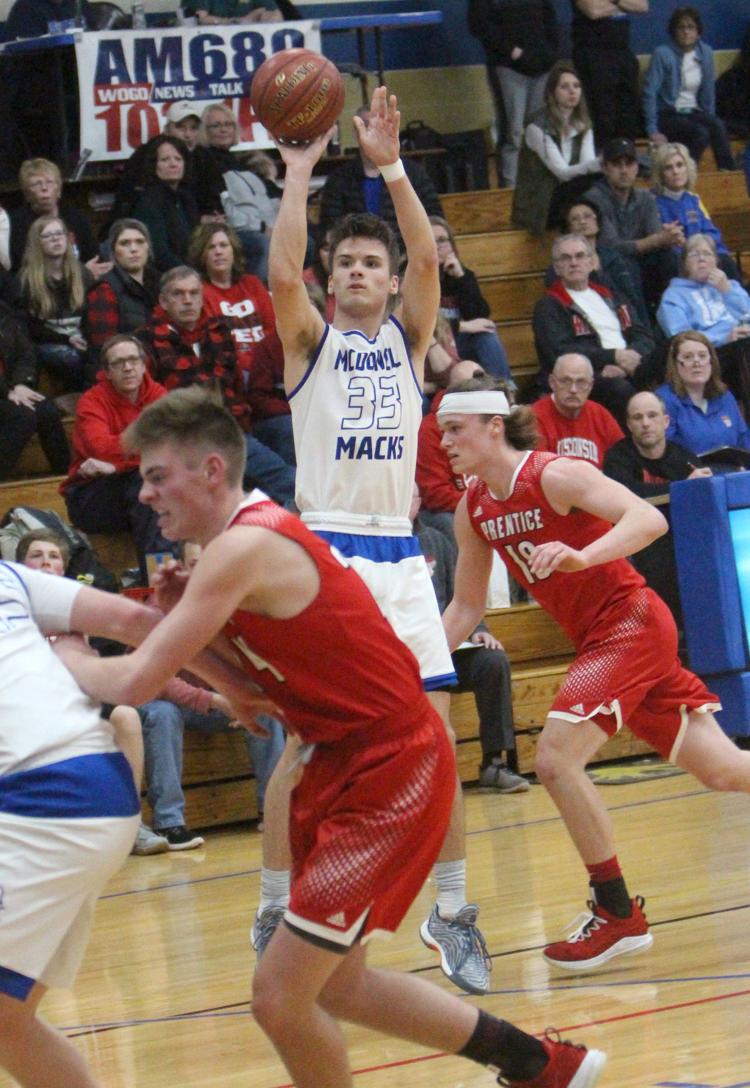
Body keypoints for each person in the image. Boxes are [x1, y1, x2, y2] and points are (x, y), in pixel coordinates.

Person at [59, 385, 606, 1088]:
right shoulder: (236, 546)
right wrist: (197, 640)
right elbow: (249, 691)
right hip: (342, 761)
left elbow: (136, 680)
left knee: (279, 997)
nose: (144, 494)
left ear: (212, 471)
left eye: (158, 476)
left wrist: (52, 657)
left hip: (390, 767)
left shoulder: (245, 547)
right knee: (339, 987)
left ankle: (541, 1064)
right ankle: (540, 1065)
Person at [267, 85, 491, 996]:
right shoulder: (308, 343)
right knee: (306, 746)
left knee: (436, 739)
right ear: (331, 280)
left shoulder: (406, 341)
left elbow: (429, 260)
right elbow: (282, 276)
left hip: (399, 552)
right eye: (346, 263)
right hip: (326, 550)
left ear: (391, 280)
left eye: (372, 262)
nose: (359, 271)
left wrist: (391, 166)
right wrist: (298, 172)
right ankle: (274, 905)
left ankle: (453, 911)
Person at [438, 374, 750, 974]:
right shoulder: (472, 508)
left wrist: (584, 555)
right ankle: (617, 915)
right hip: (602, 640)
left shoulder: (553, 474)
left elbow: (647, 519)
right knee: (723, 769)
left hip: (630, 622)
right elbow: (466, 608)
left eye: (455, 430)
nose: (445, 442)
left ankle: (617, 913)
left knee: (555, 759)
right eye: (442, 432)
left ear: (494, 427)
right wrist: (410, 670)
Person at [0, 556, 142, 1087]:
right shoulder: (9, 577)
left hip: (45, 803)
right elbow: (136, 621)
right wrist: (235, 683)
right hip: (96, 787)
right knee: (8, 1022)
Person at [137, 266, 296, 506]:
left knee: (288, 480)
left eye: (194, 293)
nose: (188, 300)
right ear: (163, 301)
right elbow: (149, 400)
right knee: (274, 484)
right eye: (178, 294)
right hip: (183, 438)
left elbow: (236, 387)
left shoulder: (219, 330)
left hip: (229, 430)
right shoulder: (146, 340)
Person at [412, 485, 529, 794]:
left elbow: (464, 595)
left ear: (419, 502)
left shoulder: (437, 541)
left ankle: (494, 762)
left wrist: (480, 629)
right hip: (410, 658)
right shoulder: (382, 549)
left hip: (449, 646)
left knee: (492, 662)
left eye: (411, 497)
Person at [62, 334, 173, 582]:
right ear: (107, 372)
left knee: (154, 487)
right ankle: (160, 581)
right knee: (149, 483)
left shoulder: (159, 396)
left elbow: (172, 446)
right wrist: (147, 452)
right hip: (90, 497)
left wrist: (117, 466)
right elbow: (101, 449)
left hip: (138, 495)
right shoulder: (92, 401)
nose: (127, 367)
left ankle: (159, 580)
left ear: (144, 365)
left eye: (133, 360)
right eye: (118, 363)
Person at [603, 389, 711, 622]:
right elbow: (626, 496)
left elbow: (703, 494)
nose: (645, 423)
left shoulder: (683, 457)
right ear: (629, 425)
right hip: (639, 546)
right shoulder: (617, 457)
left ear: (666, 421)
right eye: (637, 417)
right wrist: (681, 488)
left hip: (681, 541)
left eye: (652, 416)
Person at [532, 233, 655, 421]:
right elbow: (559, 352)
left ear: (591, 262)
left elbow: (643, 335)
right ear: (557, 267)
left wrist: (626, 363)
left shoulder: (613, 296)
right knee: (619, 389)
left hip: (630, 365)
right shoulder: (549, 305)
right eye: (566, 258)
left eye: (580, 256)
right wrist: (613, 357)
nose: (574, 263)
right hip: (589, 375)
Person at [318, 105, 443, 252]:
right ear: (356, 133)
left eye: (378, 126)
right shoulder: (339, 179)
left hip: (407, 255)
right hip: (358, 256)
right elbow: (330, 227)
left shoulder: (414, 173)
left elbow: (435, 218)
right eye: (366, 126)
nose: (373, 132)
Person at [466, 0, 560, 188]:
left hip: (542, 65)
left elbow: (550, 18)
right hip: (508, 68)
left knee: (540, 131)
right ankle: (509, 189)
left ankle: (540, 187)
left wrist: (550, 52)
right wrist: (510, 50)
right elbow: (478, 24)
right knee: (513, 132)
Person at [584, 138, 684, 310]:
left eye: (629, 164)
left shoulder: (645, 198)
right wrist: (658, 239)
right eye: (617, 165)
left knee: (668, 257)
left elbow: (656, 238)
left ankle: (672, 313)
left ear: (637, 167)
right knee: (624, 265)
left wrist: (669, 237)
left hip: (641, 263)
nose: (624, 171)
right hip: (608, 265)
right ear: (605, 168)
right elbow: (612, 247)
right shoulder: (594, 199)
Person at [512, 60, 600, 235]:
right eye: (564, 87)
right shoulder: (536, 127)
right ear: (552, 92)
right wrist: (601, 163)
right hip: (540, 202)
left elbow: (587, 167)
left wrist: (598, 165)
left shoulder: (583, 123)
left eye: (576, 86)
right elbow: (562, 173)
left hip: (567, 196)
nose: (572, 91)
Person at [643, 7, 735, 172]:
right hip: (668, 114)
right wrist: (652, 130)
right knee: (700, 133)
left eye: (691, 27)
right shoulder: (662, 54)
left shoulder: (706, 53)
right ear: (674, 31)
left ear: (698, 32)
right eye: (681, 27)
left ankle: (728, 172)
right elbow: (650, 93)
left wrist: (710, 118)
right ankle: (685, 173)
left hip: (694, 112)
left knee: (718, 125)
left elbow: (708, 92)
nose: (686, 32)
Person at [195, 103, 279, 280]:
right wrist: (263, 227)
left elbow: (269, 196)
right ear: (204, 131)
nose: (223, 129)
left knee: (305, 242)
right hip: (231, 230)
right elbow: (226, 210)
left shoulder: (239, 162)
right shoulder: (204, 160)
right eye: (216, 125)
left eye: (228, 124)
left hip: (261, 225)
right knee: (262, 244)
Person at [429, 215, 513, 382]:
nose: (436, 246)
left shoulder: (461, 274)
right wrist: (463, 326)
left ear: (452, 246)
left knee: (486, 335)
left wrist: (461, 278)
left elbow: (480, 316)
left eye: (442, 240)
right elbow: (422, 324)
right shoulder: (412, 278)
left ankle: (504, 390)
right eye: (430, 240)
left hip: (458, 343)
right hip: (432, 347)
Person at [17, 215, 93, 392]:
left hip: (80, 336)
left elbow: (92, 314)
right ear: (37, 242)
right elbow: (30, 327)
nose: (56, 239)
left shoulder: (82, 273)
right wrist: (67, 339)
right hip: (47, 341)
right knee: (69, 358)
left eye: (59, 233)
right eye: (48, 235)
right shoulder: (26, 280)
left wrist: (86, 338)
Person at [649, 142, 741, 281]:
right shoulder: (653, 203)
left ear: (687, 168)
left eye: (680, 165)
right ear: (661, 174)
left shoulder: (694, 200)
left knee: (726, 261)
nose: (675, 171)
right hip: (679, 258)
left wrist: (701, 248)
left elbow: (712, 232)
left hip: (703, 253)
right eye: (668, 167)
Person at [0, 300, 70, 479]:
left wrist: (21, 384)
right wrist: (7, 392)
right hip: (5, 392)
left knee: (46, 410)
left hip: (10, 389)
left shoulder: (5, 315)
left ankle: (66, 476)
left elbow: (26, 354)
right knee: (22, 416)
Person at [655, 331, 750, 457]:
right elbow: (664, 451)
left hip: (734, 468)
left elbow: (743, 439)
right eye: (688, 357)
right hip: (690, 469)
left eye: (702, 356)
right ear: (675, 364)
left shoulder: (725, 396)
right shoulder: (664, 400)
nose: (697, 362)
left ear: (711, 361)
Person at [556, 199, 650, 327]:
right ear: (568, 228)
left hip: (626, 324)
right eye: (575, 219)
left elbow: (635, 302)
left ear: (598, 222)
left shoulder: (617, 259)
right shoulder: (561, 267)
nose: (582, 221)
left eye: (587, 216)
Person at [9, 159, 107, 275]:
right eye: (36, 184)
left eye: (50, 182)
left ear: (59, 189)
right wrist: (81, 271)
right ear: (27, 193)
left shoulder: (76, 218)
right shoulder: (16, 223)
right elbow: (22, 268)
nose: (44, 188)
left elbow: (94, 258)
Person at [569, 0, 646, 145]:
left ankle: (626, 154)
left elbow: (642, 6)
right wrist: (622, 4)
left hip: (622, 51)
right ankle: (602, 156)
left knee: (627, 113)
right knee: (603, 114)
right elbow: (593, 11)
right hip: (593, 52)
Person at [84, 219, 160, 365]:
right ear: (113, 250)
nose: (134, 249)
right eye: (125, 243)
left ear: (148, 247)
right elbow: (104, 348)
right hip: (123, 368)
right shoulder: (104, 289)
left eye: (140, 242)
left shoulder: (161, 282)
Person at [532, 352, 623, 467]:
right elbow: (539, 470)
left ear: (590, 386)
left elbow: (623, 459)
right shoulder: (534, 418)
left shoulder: (601, 415)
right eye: (566, 381)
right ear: (552, 383)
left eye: (581, 382)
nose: (573, 389)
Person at [131, 137, 200, 274]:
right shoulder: (149, 202)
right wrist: (190, 274)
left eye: (178, 159)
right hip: (169, 275)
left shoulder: (186, 198)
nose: (173, 164)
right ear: (154, 165)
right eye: (165, 160)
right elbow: (159, 253)